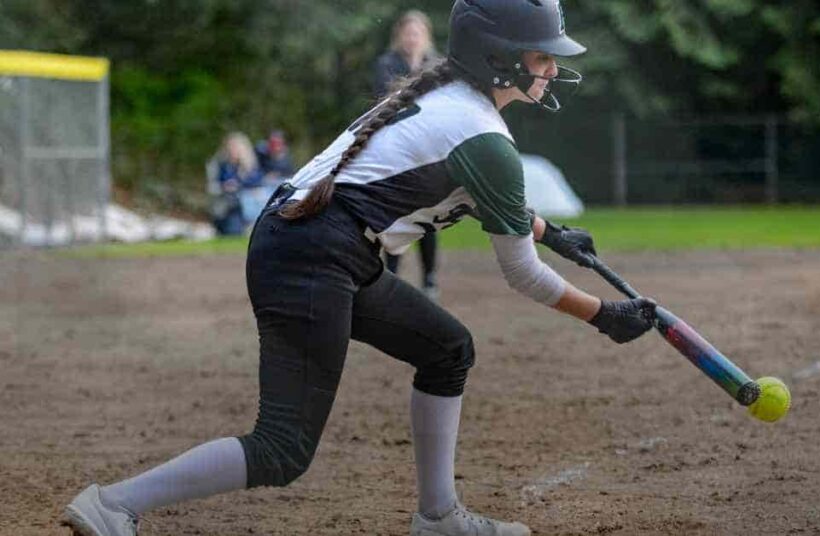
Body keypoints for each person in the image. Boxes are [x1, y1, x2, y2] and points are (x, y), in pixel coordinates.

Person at [61, 2, 656, 536]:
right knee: (282, 448)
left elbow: (471, 193)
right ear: (500, 58)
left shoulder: (448, 98)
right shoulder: (486, 138)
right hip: (313, 255)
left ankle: (439, 518)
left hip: (315, 245)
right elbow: (521, 275)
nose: (551, 68)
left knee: (448, 349)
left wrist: (551, 233)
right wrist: (601, 314)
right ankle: (114, 505)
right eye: (541, 56)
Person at [374, 9, 443, 299]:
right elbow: (387, 100)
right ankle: (391, 276)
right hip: (398, 146)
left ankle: (429, 278)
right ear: (399, 36)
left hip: (428, 149)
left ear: (425, 37)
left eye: (417, 33)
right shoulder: (386, 64)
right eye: (408, 33)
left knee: (428, 212)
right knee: (396, 212)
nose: (412, 38)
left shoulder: (438, 64)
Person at [208, 132, 264, 236]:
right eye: (230, 147)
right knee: (229, 230)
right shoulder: (223, 166)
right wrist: (225, 187)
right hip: (227, 206)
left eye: (235, 148)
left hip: (247, 206)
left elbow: (257, 184)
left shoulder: (251, 167)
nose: (232, 151)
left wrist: (240, 183)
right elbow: (214, 187)